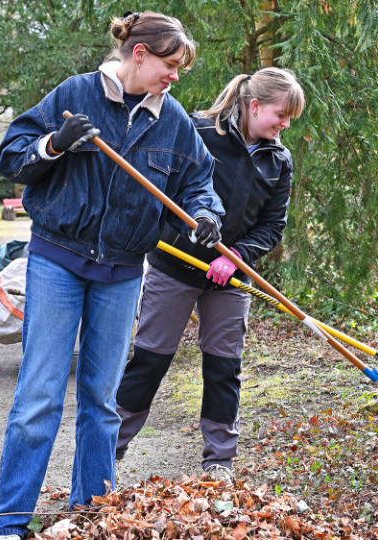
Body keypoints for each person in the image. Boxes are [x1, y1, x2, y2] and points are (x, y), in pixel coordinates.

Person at [0, 11, 224, 540]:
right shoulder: (75, 93)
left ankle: (92, 513)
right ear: (138, 54)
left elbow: (199, 182)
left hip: (121, 272)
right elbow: (12, 158)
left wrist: (207, 214)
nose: (175, 76)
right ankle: (8, 522)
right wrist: (56, 143)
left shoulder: (175, 121)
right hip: (58, 261)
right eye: (169, 64)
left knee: (101, 400)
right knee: (40, 396)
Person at [114, 67, 305, 483]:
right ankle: (109, 450)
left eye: (290, 119)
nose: (285, 125)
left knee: (223, 367)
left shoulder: (279, 159)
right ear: (254, 106)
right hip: (174, 266)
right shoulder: (198, 132)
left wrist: (235, 257)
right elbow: (161, 193)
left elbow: (272, 226)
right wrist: (183, 231)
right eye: (280, 115)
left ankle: (219, 462)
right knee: (149, 360)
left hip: (231, 277)